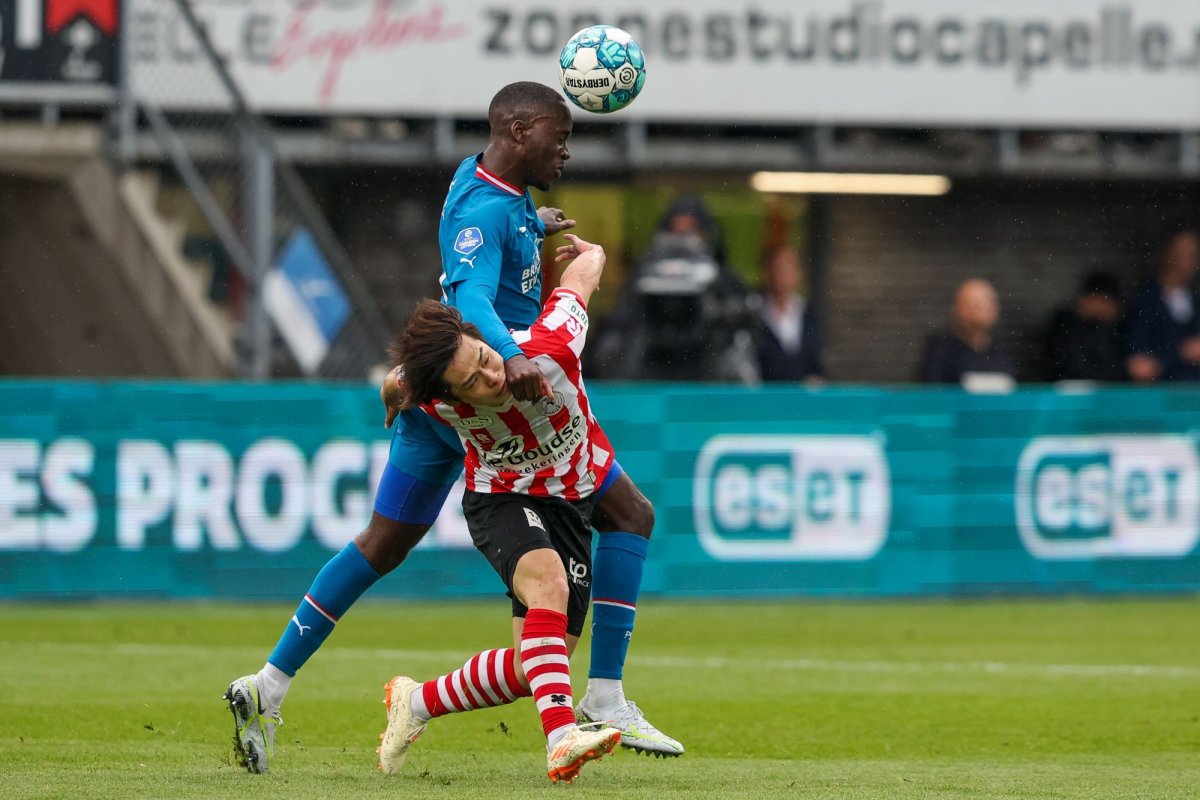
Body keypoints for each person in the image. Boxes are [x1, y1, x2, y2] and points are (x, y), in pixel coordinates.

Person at [224, 82, 681, 775]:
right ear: (519, 129)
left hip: (447, 394)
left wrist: (532, 228)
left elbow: (475, 271)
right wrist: (515, 358)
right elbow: (468, 296)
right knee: (621, 520)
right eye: (559, 135)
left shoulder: (496, 190)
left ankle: (270, 684)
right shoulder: (481, 209)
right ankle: (603, 700)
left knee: (384, 545)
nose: (567, 148)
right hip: (489, 401)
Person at [377, 234, 620, 784]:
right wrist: (393, 400)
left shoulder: (551, 347)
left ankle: (415, 703)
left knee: (536, 665)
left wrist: (592, 251)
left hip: (568, 505)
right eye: (473, 383)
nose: (491, 377)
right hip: (500, 496)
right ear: (450, 397)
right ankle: (562, 740)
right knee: (549, 588)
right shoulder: (435, 394)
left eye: (486, 359)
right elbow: (396, 385)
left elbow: (583, 276)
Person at [591, 194, 759, 382]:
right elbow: (622, 323)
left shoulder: (721, 276)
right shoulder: (644, 274)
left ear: (706, 233)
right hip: (650, 374)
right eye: (676, 230)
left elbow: (746, 316)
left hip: (706, 376)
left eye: (691, 230)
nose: (683, 239)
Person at [1126, 228, 1200, 383]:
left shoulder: (1194, 300)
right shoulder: (1145, 300)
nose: (1188, 258)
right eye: (1182, 251)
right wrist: (1180, 354)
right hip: (1159, 391)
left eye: (1193, 252)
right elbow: (1139, 362)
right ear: (1167, 253)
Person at [917, 278, 1014, 384]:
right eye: (975, 304)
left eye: (987, 303)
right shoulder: (941, 349)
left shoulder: (1003, 349)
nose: (981, 309)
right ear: (957, 307)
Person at [753, 244, 824, 382]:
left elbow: (815, 363)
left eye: (789, 267)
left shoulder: (808, 315)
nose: (783, 274)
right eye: (778, 268)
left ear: (798, 273)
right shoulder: (755, 313)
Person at [1043, 270, 1126, 382]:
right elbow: (1074, 367)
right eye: (1103, 301)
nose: (1109, 308)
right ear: (1089, 298)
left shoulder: (1116, 330)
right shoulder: (1064, 324)